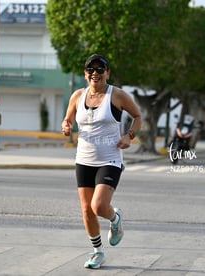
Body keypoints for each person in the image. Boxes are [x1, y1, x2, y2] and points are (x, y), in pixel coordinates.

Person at [61, 54, 141, 269]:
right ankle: (97, 252)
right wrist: (66, 126)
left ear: (107, 73)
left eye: (100, 69)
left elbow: (137, 116)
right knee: (86, 209)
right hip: (84, 159)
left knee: (98, 206)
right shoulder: (77, 96)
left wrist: (129, 136)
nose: (95, 73)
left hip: (110, 158)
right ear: (85, 74)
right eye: (90, 69)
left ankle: (115, 219)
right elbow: (68, 118)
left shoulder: (117, 95)